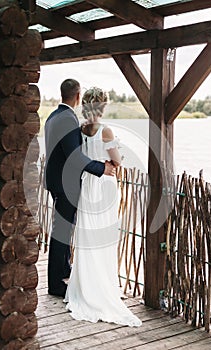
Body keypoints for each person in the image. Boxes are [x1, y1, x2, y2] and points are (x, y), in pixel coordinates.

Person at [64, 87, 142, 327]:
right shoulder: (105, 130)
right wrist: (118, 160)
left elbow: (83, 158)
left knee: (88, 236)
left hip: (88, 185)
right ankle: (102, 288)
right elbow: (117, 160)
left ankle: (86, 286)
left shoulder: (82, 129)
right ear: (102, 106)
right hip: (105, 185)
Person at [44, 79, 116, 297]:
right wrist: (101, 169)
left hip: (56, 181)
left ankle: (65, 268)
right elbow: (75, 158)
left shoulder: (53, 116)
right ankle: (56, 284)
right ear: (77, 96)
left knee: (63, 229)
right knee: (61, 233)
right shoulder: (67, 118)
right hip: (65, 185)